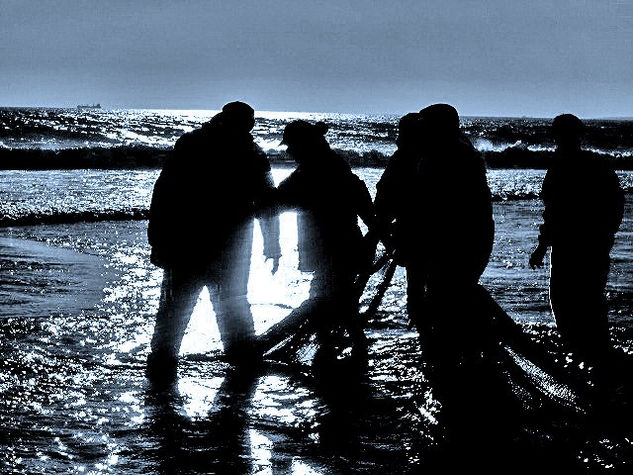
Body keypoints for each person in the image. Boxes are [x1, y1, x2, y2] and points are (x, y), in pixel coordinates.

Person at [147, 101, 280, 378]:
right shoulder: (251, 153)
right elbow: (268, 203)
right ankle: (241, 365)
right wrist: (272, 243)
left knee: (175, 308)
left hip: (187, 241)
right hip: (228, 245)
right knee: (231, 306)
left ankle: (163, 366)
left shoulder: (192, 144)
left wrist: (157, 237)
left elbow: (163, 192)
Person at [275, 120, 374, 361]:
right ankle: (340, 346)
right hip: (342, 245)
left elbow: (280, 197)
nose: (288, 151)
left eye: (292, 146)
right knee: (340, 300)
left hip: (334, 247)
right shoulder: (328, 164)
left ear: (304, 145)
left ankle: (334, 349)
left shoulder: (316, 170)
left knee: (328, 299)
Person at [529, 114, 624, 363]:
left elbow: (553, 213)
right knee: (590, 301)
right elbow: (616, 204)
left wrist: (541, 246)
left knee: (565, 301)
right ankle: (597, 356)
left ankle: (588, 355)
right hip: (592, 246)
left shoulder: (560, 168)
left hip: (570, 247)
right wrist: (607, 235)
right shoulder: (597, 165)